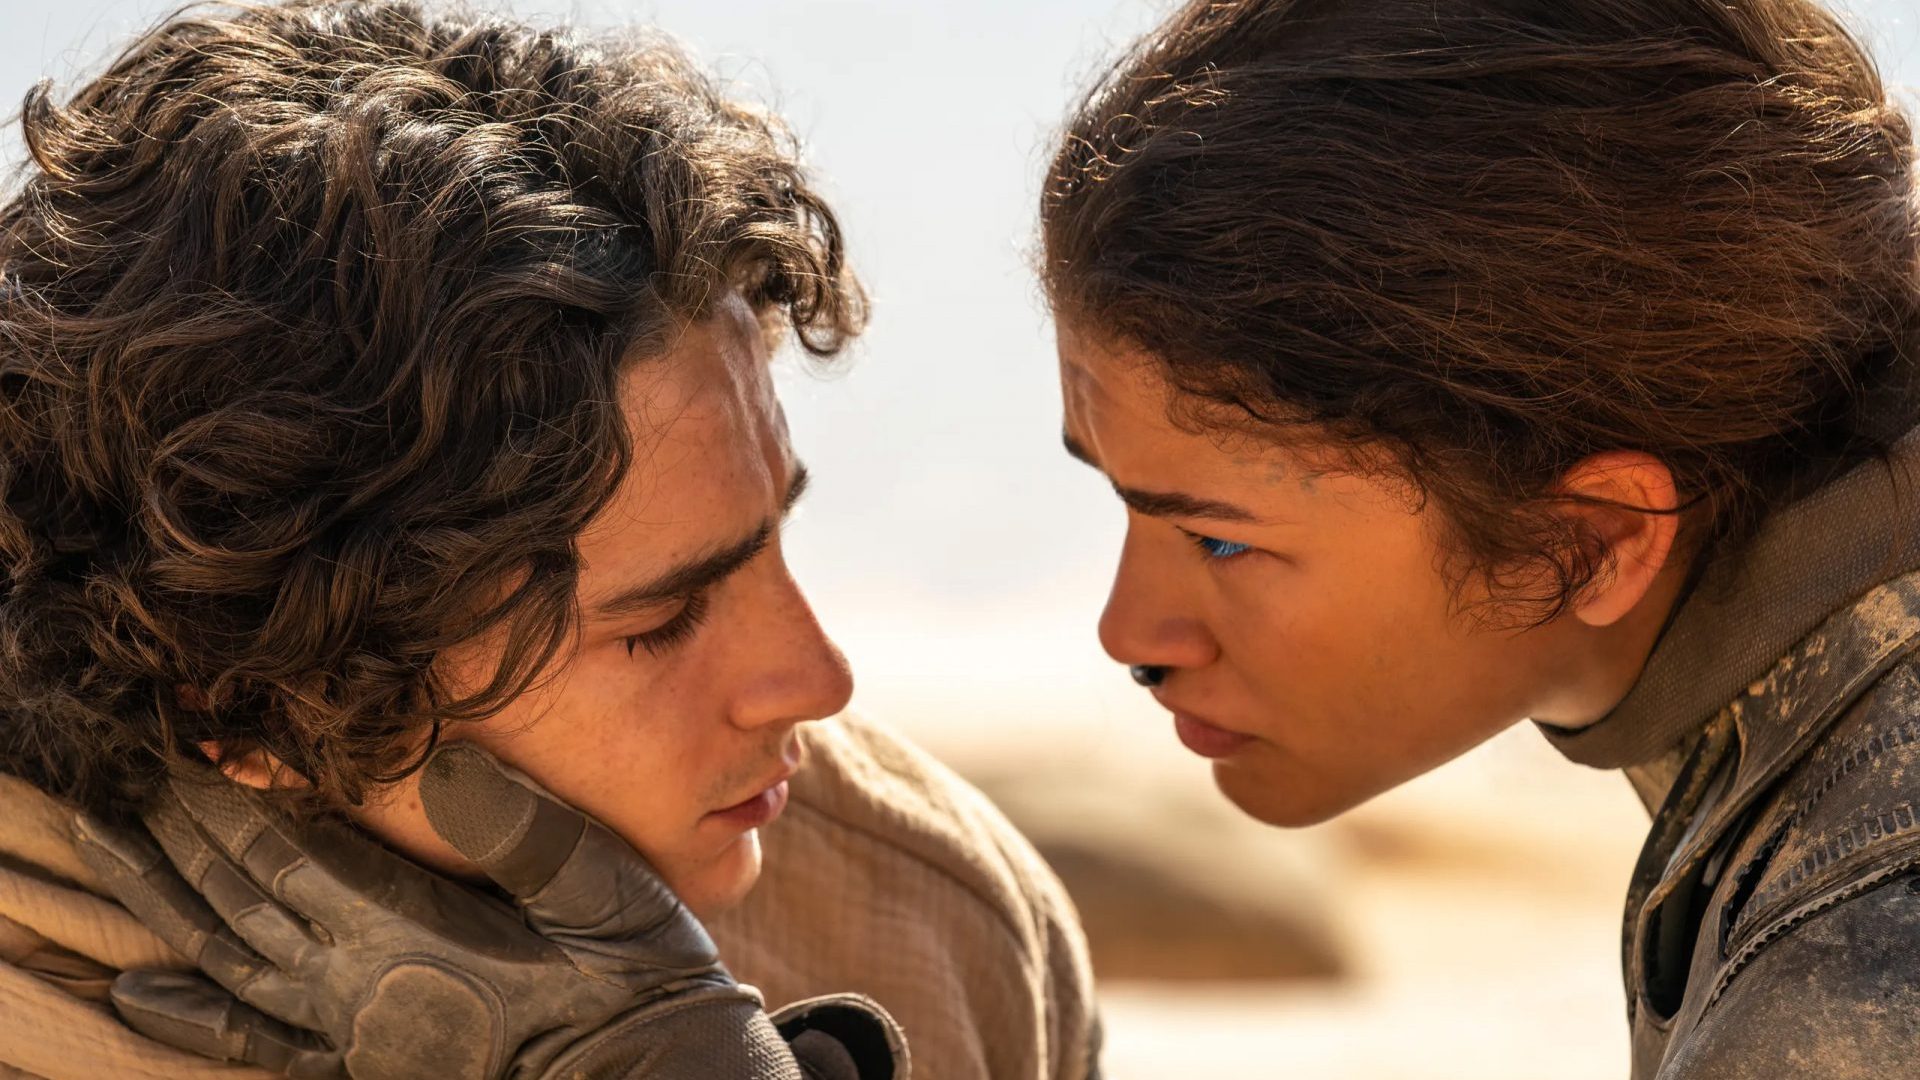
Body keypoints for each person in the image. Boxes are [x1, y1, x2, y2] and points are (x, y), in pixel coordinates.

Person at [0, 2, 1098, 1077]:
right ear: (249, 705)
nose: (818, 681)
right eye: (663, 623)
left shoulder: (939, 916)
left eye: (773, 537)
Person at [1041, 0, 1919, 1074]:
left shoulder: (1853, 1001)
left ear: (1589, 543)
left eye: (1221, 542)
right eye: (1124, 500)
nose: (1129, 632)